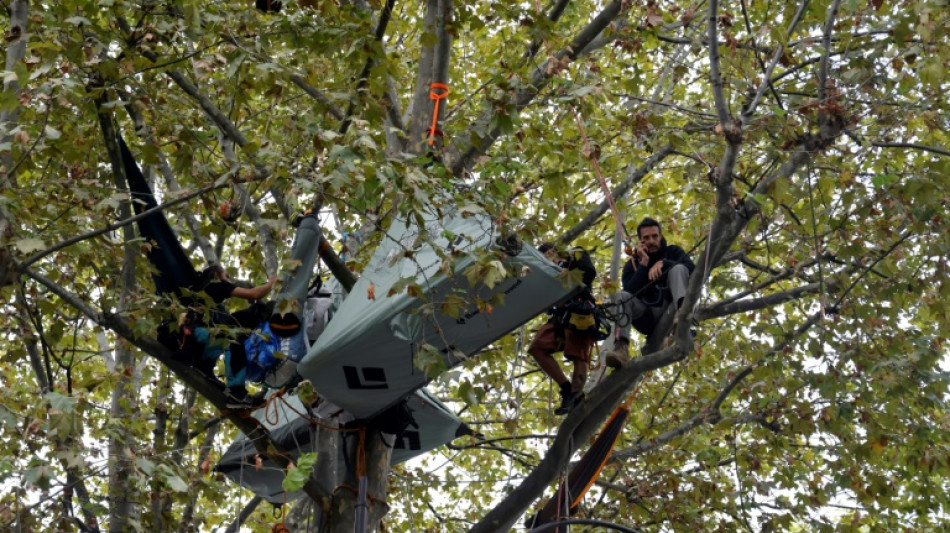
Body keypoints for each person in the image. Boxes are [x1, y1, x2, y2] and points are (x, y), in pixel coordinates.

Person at [605, 217, 694, 368]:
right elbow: (629, 293)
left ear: (661, 236)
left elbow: (692, 270)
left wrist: (665, 264)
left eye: (655, 236)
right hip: (646, 316)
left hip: (670, 305)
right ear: (640, 241)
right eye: (646, 238)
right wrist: (644, 264)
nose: (652, 241)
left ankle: (682, 316)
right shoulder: (632, 265)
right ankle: (621, 348)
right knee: (621, 296)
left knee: (679, 268)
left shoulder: (673, 251)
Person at [528, 242, 598, 415]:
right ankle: (567, 390)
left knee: (578, 355)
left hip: (579, 310)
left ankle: (576, 395)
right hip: (559, 315)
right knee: (537, 348)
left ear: (552, 252)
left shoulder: (575, 255)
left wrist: (570, 276)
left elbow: (589, 272)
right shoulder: (546, 274)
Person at [193, 264, 278, 407]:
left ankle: (205, 366)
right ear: (216, 275)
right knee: (234, 335)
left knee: (236, 322)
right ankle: (237, 392)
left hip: (196, 342)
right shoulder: (214, 284)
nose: (228, 280)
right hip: (197, 337)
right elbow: (254, 294)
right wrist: (271, 283)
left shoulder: (200, 293)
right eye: (226, 276)